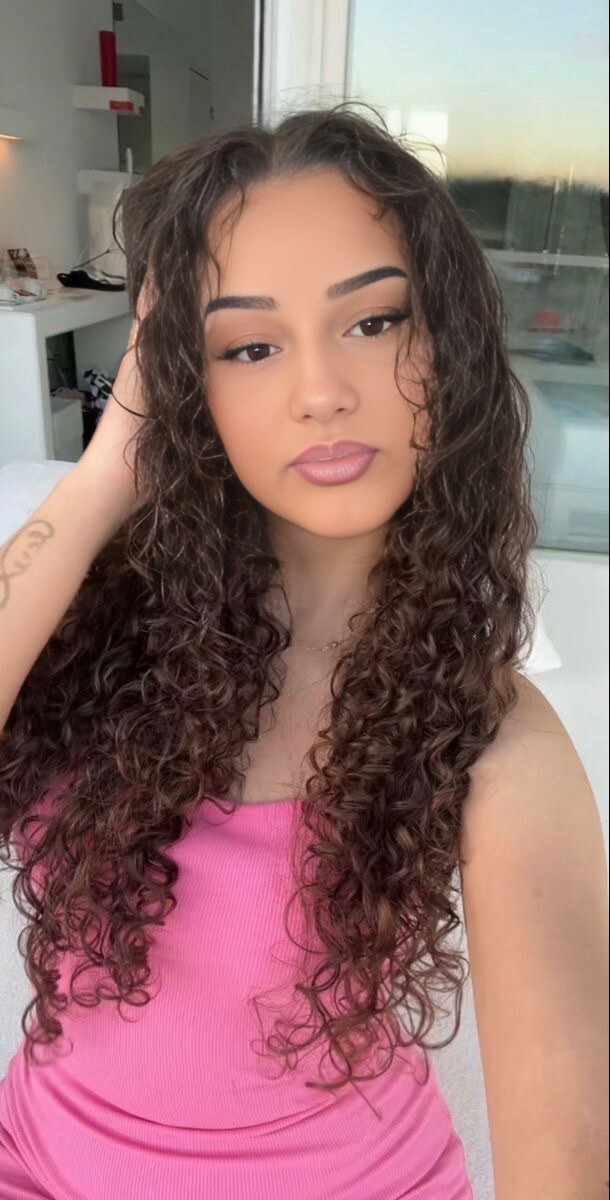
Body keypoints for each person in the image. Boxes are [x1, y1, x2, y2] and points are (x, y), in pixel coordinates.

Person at [0, 103, 607, 1200]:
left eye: (372, 322)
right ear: (183, 384)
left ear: (448, 345)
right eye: (248, 346)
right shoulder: (87, 623)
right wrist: (101, 477)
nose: (321, 390)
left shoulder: (494, 742)